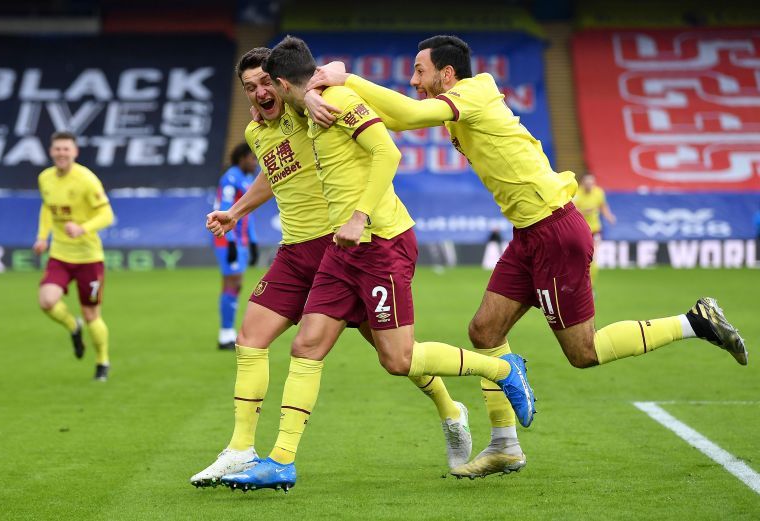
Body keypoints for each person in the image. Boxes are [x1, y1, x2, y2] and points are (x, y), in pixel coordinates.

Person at [306, 34, 748, 479]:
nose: (413, 80)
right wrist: (312, 95)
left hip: (555, 230)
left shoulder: (475, 89)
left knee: (584, 352)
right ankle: (504, 446)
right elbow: (388, 117)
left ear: (447, 73)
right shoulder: (457, 110)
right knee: (484, 330)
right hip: (528, 234)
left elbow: (408, 116)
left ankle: (695, 322)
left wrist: (350, 77)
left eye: (419, 71)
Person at [219, 36, 535, 493]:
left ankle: (503, 370)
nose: (264, 95)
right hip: (341, 250)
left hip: (381, 241)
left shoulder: (338, 100)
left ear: (283, 83)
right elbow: (296, 103)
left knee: (397, 359)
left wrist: (359, 213)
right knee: (306, 347)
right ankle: (281, 461)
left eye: (270, 85)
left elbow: (390, 152)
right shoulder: (301, 107)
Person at [32, 131, 115, 381]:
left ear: (75, 152)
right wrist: (42, 236)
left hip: (89, 257)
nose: (61, 153)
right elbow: (48, 207)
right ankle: (72, 326)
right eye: (57, 149)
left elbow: (107, 215)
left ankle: (102, 361)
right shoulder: (45, 178)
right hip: (60, 253)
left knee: (92, 315)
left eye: (66, 149)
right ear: (51, 151)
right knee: (46, 301)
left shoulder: (86, 180)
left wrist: (83, 228)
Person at [213, 143, 259, 350]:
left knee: (234, 284)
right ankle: (226, 334)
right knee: (233, 283)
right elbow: (224, 210)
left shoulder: (247, 179)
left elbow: (248, 214)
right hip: (227, 238)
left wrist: (254, 240)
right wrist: (230, 242)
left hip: (240, 240)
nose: (255, 163)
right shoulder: (230, 178)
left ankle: (227, 332)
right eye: (252, 159)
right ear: (242, 158)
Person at [573, 173, 616, 286]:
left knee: (593, 259)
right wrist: (584, 212)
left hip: (595, 229)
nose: (589, 185)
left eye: (591, 183)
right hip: (580, 230)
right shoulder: (576, 193)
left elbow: (603, 206)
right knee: (580, 258)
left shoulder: (599, 192)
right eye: (587, 183)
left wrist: (609, 216)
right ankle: (579, 283)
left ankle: (589, 286)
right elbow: (572, 212)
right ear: (582, 183)